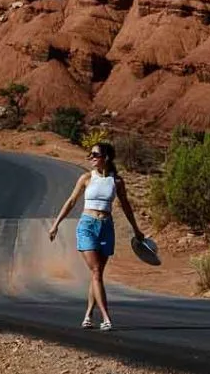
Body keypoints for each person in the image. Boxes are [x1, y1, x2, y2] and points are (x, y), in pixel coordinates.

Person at [48, 141, 144, 331]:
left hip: (106, 227)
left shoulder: (116, 181)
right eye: (90, 155)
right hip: (87, 226)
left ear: (105, 158)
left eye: (95, 155)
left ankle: (88, 315)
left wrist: (136, 228)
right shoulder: (86, 178)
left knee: (97, 274)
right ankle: (106, 318)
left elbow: (125, 205)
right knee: (96, 272)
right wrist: (56, 224)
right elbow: (71, 200)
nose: (91, 158)